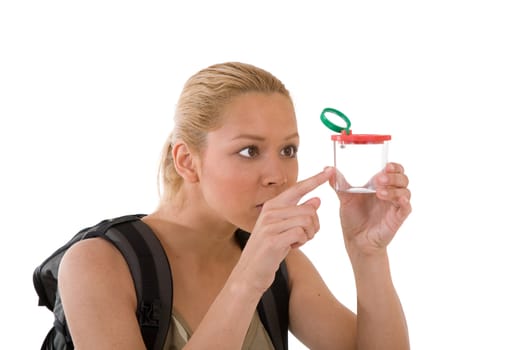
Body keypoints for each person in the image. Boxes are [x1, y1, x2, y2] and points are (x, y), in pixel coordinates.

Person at [58, 61, 412, 350]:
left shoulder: (285, 266)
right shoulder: (98, 263)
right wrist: (247, 280)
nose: (277, 175)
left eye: (288, 150)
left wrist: (367, 253)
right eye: (249, 151)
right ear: (186, 160)